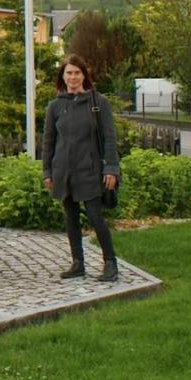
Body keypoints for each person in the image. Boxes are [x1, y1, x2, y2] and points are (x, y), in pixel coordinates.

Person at [42, 55, 120, 282]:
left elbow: (109, 137)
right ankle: (78, 263)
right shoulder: (55, 106)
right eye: (69, 73)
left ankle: (110, 263)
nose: (73, 77)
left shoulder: (98, 102)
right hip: (64, 171)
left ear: (84, 75)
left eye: (77, 73)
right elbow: (48, 141)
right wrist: (47, 171)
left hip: (91, 170)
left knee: (95, 216)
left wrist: (111, 169)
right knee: (70, 217)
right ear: (62, 77)